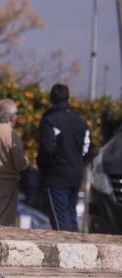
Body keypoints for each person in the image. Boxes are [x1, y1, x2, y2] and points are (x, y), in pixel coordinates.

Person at [37, 83, 91, 232]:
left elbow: (47, 149)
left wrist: (43, 168)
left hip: (56, 176)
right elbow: (87, 150)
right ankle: (77, 252)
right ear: (68, 98)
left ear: (51, 99)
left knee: (61, 222)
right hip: (75, 175)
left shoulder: (50, 120)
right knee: (71, 217)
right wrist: (77, 164)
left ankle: (67, 253)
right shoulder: (81, 122)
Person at [0, 98, 29, 227]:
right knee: (3, 224)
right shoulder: (12, 134)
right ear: (11, 116)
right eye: (16, 114)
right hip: (7, 181)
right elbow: (19, 162)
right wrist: (26, 163)